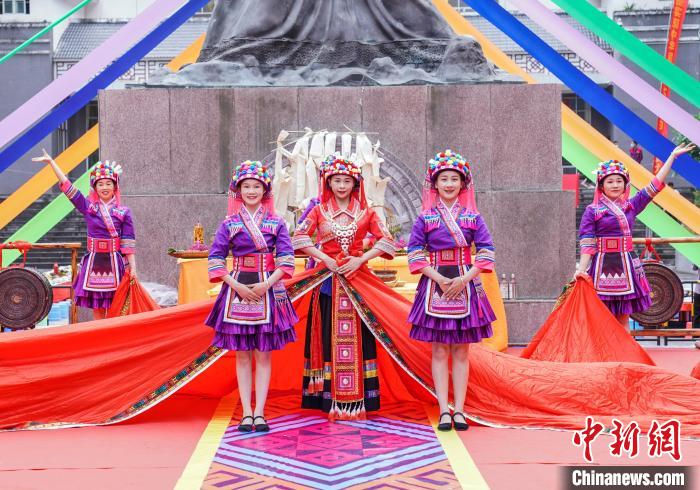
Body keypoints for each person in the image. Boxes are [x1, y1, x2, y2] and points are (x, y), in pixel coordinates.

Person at [291, 154, 396, 419]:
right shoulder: (318, 210)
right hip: (326, 282)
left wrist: (361, 258)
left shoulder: (367, 211)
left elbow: (387, 241)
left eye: (346, 180)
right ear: (328, 182)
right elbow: (298, 238)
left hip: (357, 281)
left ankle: (361, 400)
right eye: (336, 180)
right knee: (328, 336)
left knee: (361, 338)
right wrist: (323, 258)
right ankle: (330, 399)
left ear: (355, 183)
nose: (341, 185)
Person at [205, 160, 298, 432]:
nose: (251, 191)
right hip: (238, 289)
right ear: (239, 191)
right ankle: (246, 412)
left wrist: (266, 284)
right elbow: (215, 258)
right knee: (243, 354)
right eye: (246, 186)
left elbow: (287, 259)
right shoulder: (230, 223)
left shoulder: (276, 223)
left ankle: (260, 412)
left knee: (264, 355)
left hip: (267, 289)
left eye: (256, 186)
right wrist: (236, 285)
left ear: (265, 190)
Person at [406, 150, 496, 431]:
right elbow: (414, 254)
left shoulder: (473, 218)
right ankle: (443, 409)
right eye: (443, 179)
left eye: (453, 179)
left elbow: (487, 252)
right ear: (435, 184)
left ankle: (460, 409)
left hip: (465, 283)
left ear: (463, 184)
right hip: (435, 283)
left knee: (461, 351)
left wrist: (465, 279)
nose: (448, 184)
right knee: (439, 351)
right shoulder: (425, 219)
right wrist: (439, 279)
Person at [575, 143, 696, 327]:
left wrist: (672, 157)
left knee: (624, 317)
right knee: (602, 318)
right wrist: (581, 270)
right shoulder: (593, 211)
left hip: (626, 265)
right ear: (601, 185)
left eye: (619, 181)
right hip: (602, 267)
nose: (615, 185)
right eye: (610, 181)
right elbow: (587, 242)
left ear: (625, 184)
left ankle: (625, 353)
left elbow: (654, 186)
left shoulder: (631, 205)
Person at [33, 149, 136, 320]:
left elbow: (128, 243)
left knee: (116, 309)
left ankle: (114, 341)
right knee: (97, 310)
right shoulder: (89, 207)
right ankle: (101, 341)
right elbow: (68, 187)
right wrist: (52, 163)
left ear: (115, 186)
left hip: (115, 262)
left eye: (108, 183)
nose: (104, 187)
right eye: (100, 184)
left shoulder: (124, 212)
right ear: (95, 188)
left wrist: (133, 268)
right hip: (94, 263)